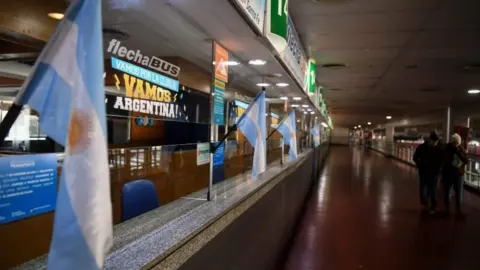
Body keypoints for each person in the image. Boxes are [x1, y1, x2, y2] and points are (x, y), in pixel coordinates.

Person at [413, 132, 442, 214]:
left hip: (434, 173)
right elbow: (415, 157)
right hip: (424, 172)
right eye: (434, 141)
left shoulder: (437, 149)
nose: (435, 143)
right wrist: (419, 165)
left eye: (436, 142)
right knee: (423, 190)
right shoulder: (422, 147)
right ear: (430, 140)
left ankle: (433, 206)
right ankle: (425, 203)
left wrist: (439, 169)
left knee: (433, 190)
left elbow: (440, 161)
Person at [441, 133, 468, 216]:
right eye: (454, 142)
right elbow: (444, 160)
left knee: (459, 192)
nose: (456, 144)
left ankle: (458, 209)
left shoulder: (461, 149)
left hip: (458, 174)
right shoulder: (447, 148)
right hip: (449, 173)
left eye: (457, 143)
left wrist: (458, 152)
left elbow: (466, 161)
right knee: (447, 191)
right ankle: (447, 209)